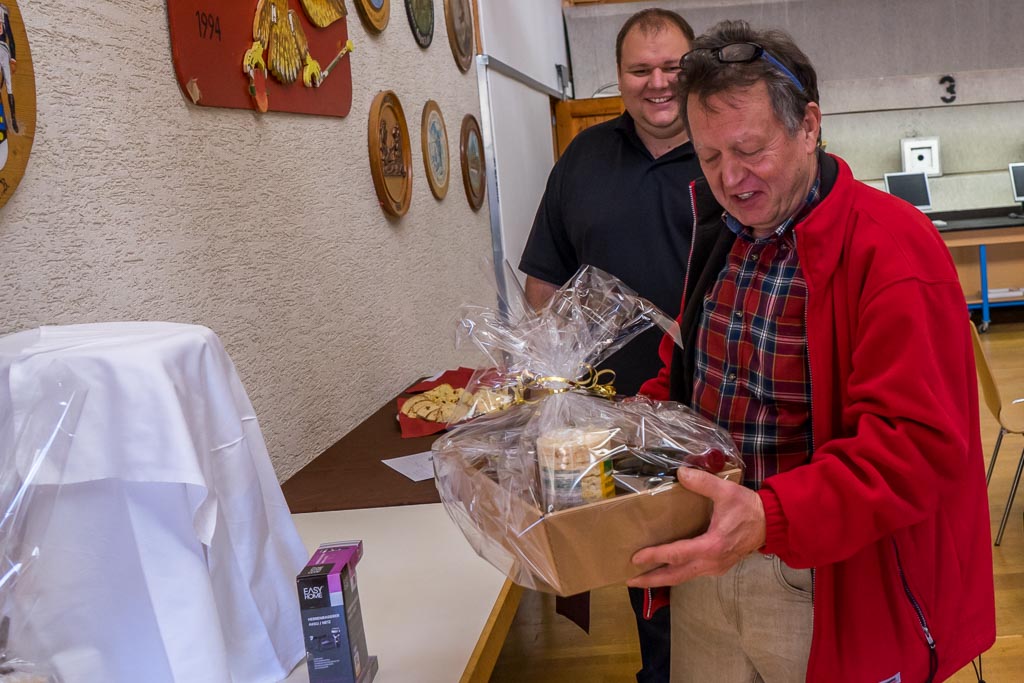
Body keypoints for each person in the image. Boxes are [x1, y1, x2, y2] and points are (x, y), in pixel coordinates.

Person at [631, 20, 995, 682]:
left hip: (829, 582)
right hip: (708, 563)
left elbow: (915, 448)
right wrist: (625, 432)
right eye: (709, 157)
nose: (730, 178)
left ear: (808, 126)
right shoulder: (723, 235)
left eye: (750, 149)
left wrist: (768, 516)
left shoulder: (892, 247)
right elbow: (687, 375)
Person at [517, 8, 700, 682]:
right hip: (617, 415)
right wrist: (552, 366)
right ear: (618, 77)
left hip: (720, 405)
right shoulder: (583, 158)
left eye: (673, 67)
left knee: (730, 567)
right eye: (641, 69)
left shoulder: (727, 147)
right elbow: (543, 283)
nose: (659, 82)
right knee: (648, 572)